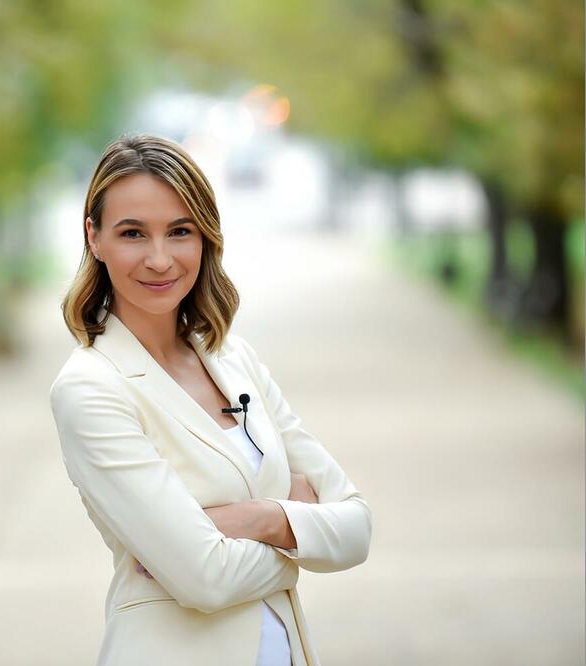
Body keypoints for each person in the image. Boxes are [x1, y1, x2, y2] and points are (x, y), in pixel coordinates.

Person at [49, 133, 372, 666]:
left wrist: (254, 519)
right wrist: (300, 533)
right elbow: (204, 578)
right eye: (133, 233)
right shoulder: (91, 388)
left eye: (180, 231)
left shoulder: (232, 359)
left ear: (205, 237)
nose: (159, 259)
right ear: (95, 237)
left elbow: (356, 528)